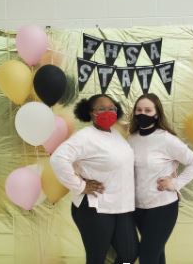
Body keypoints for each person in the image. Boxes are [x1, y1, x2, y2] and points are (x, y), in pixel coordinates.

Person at [50, 94, 139, 264]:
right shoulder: (84, 137)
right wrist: (80, 186)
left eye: (112, 108)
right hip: (95, 208)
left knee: (129, 254)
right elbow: (58, 159)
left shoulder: (115, 135)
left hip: (121, 207)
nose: (109, 111)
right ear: (91, 113)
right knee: (96, 258)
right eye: (102, 108)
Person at [128, 93, 193, 264]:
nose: (142, 113)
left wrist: (175, 183)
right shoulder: (131, 139)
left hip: (162, 208)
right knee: (156, 255)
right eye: (139, 110)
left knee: (147, 257)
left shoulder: (167, 139)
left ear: (157, 113)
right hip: (138, 208)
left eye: (148, 110)